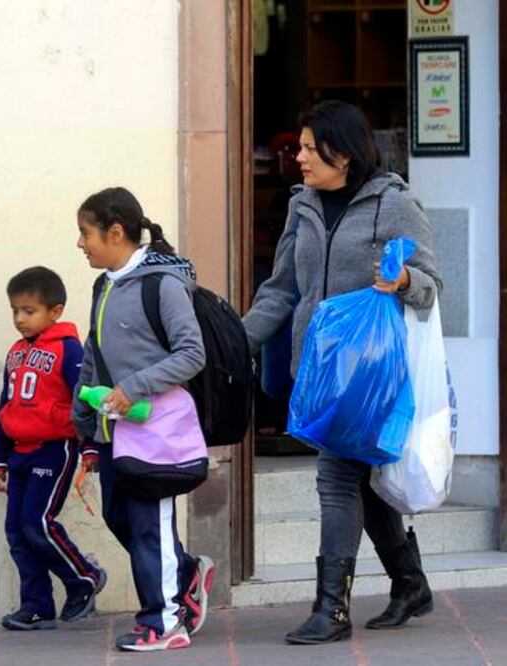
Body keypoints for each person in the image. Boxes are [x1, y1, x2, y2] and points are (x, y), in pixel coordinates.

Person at [243, 100, 442, 645]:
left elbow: (430, 283)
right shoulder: (301, 205)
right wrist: (238, 343)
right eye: (301, 148)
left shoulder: (393, 203)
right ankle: (409, 582)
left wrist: (403, 282)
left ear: (345, 153)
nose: (299, 158)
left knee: (336, 476)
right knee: (362, 479)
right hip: (319, 370)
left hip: (373, 371)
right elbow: (283, 288)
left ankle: (332, 608)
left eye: (310, 148)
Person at [71, 187, 215, 652]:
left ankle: (165, 622)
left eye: (85, 234)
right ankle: (186, 573)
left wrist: (134, 387)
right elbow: (94, 352)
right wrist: (84, 422)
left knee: (149, 526)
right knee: (120, 517)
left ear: (116, 233)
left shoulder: (163, 284)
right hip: (113, 431)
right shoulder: (105, 284)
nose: (80, 244)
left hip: (155, 433)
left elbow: (192, 353)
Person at [0, 266, 107, 631]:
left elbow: (83, 398)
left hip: (54, 449)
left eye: (28, 311)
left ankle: (84, 577)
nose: (19, 319)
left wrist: (90, 446)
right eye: (15, 311)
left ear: (54, 312)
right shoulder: (16, 353)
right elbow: (6, 406)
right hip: (19, 452)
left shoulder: (70, 349)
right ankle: (37, 605)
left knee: (37, 523)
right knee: (17, 531)